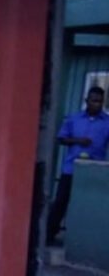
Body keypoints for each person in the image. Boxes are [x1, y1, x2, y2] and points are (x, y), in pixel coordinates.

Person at [47, 86, 109, 245]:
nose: (97, 104)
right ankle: (49, 236)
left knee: (90, 206)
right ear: (86, 100)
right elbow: (61, 139)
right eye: (94, 100)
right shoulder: (73, 119)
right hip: (71, 169)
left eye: (100, 102)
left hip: (93, 171)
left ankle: (86, 241)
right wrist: (78, 141)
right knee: (61, 202)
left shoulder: (107, 122)